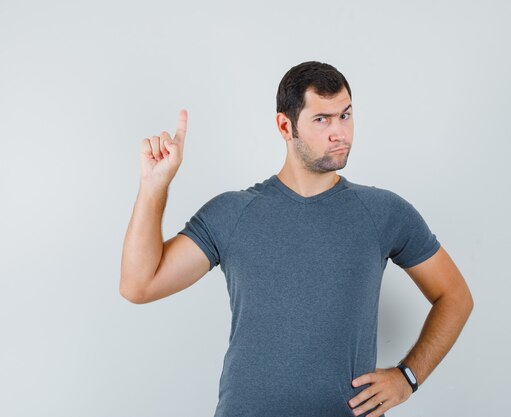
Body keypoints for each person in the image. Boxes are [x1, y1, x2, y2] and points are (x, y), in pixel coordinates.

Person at [119, 61, 474, 417]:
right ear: (285, 126)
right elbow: (139, 285)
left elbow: (455, 296)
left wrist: (407, 377)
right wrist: (154, 186)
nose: (340, 133)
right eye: (322, 119)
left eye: (345, 115)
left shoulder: (382, 212)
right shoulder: (233, 213)